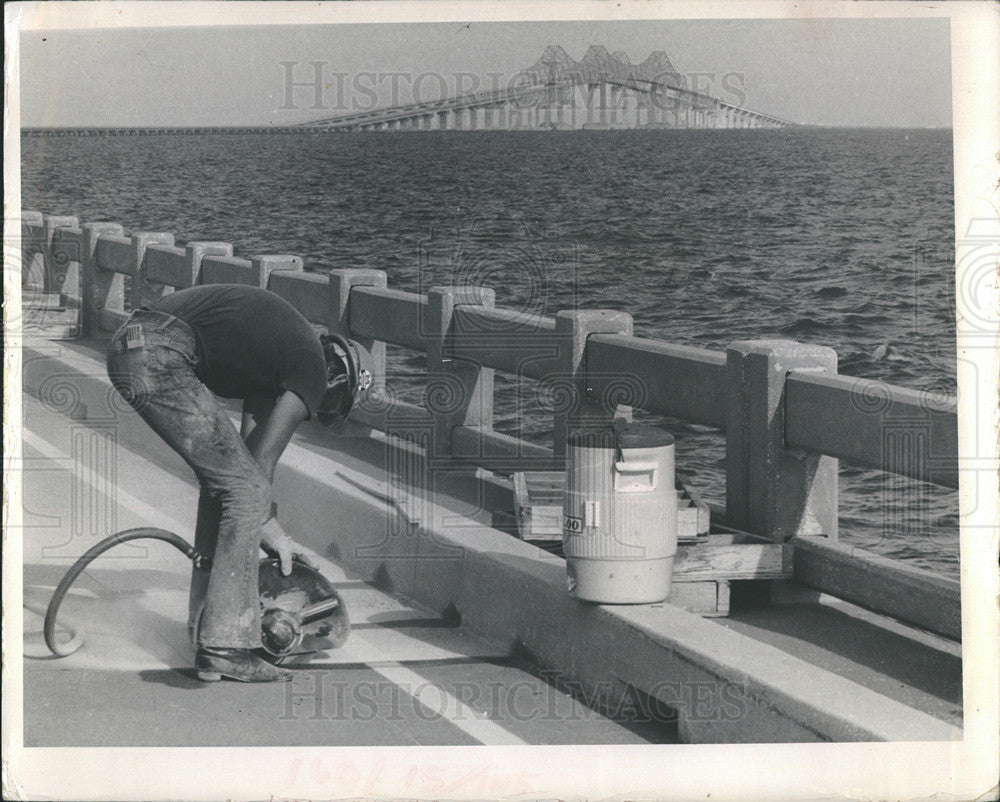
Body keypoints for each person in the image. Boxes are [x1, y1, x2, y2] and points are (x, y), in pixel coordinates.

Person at [106, 283, 360, 683]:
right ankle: (224, 646)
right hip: (159, 351)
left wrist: (265, 526)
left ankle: (205, 623)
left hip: (134, 344)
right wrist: (272, 530)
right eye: (324, 407)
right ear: (337, 383)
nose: (314, 410)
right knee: (245, 492)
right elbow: (261, 473)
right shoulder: (312, 367)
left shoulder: (278, 359)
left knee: (226, 485)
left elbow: (247, 461)